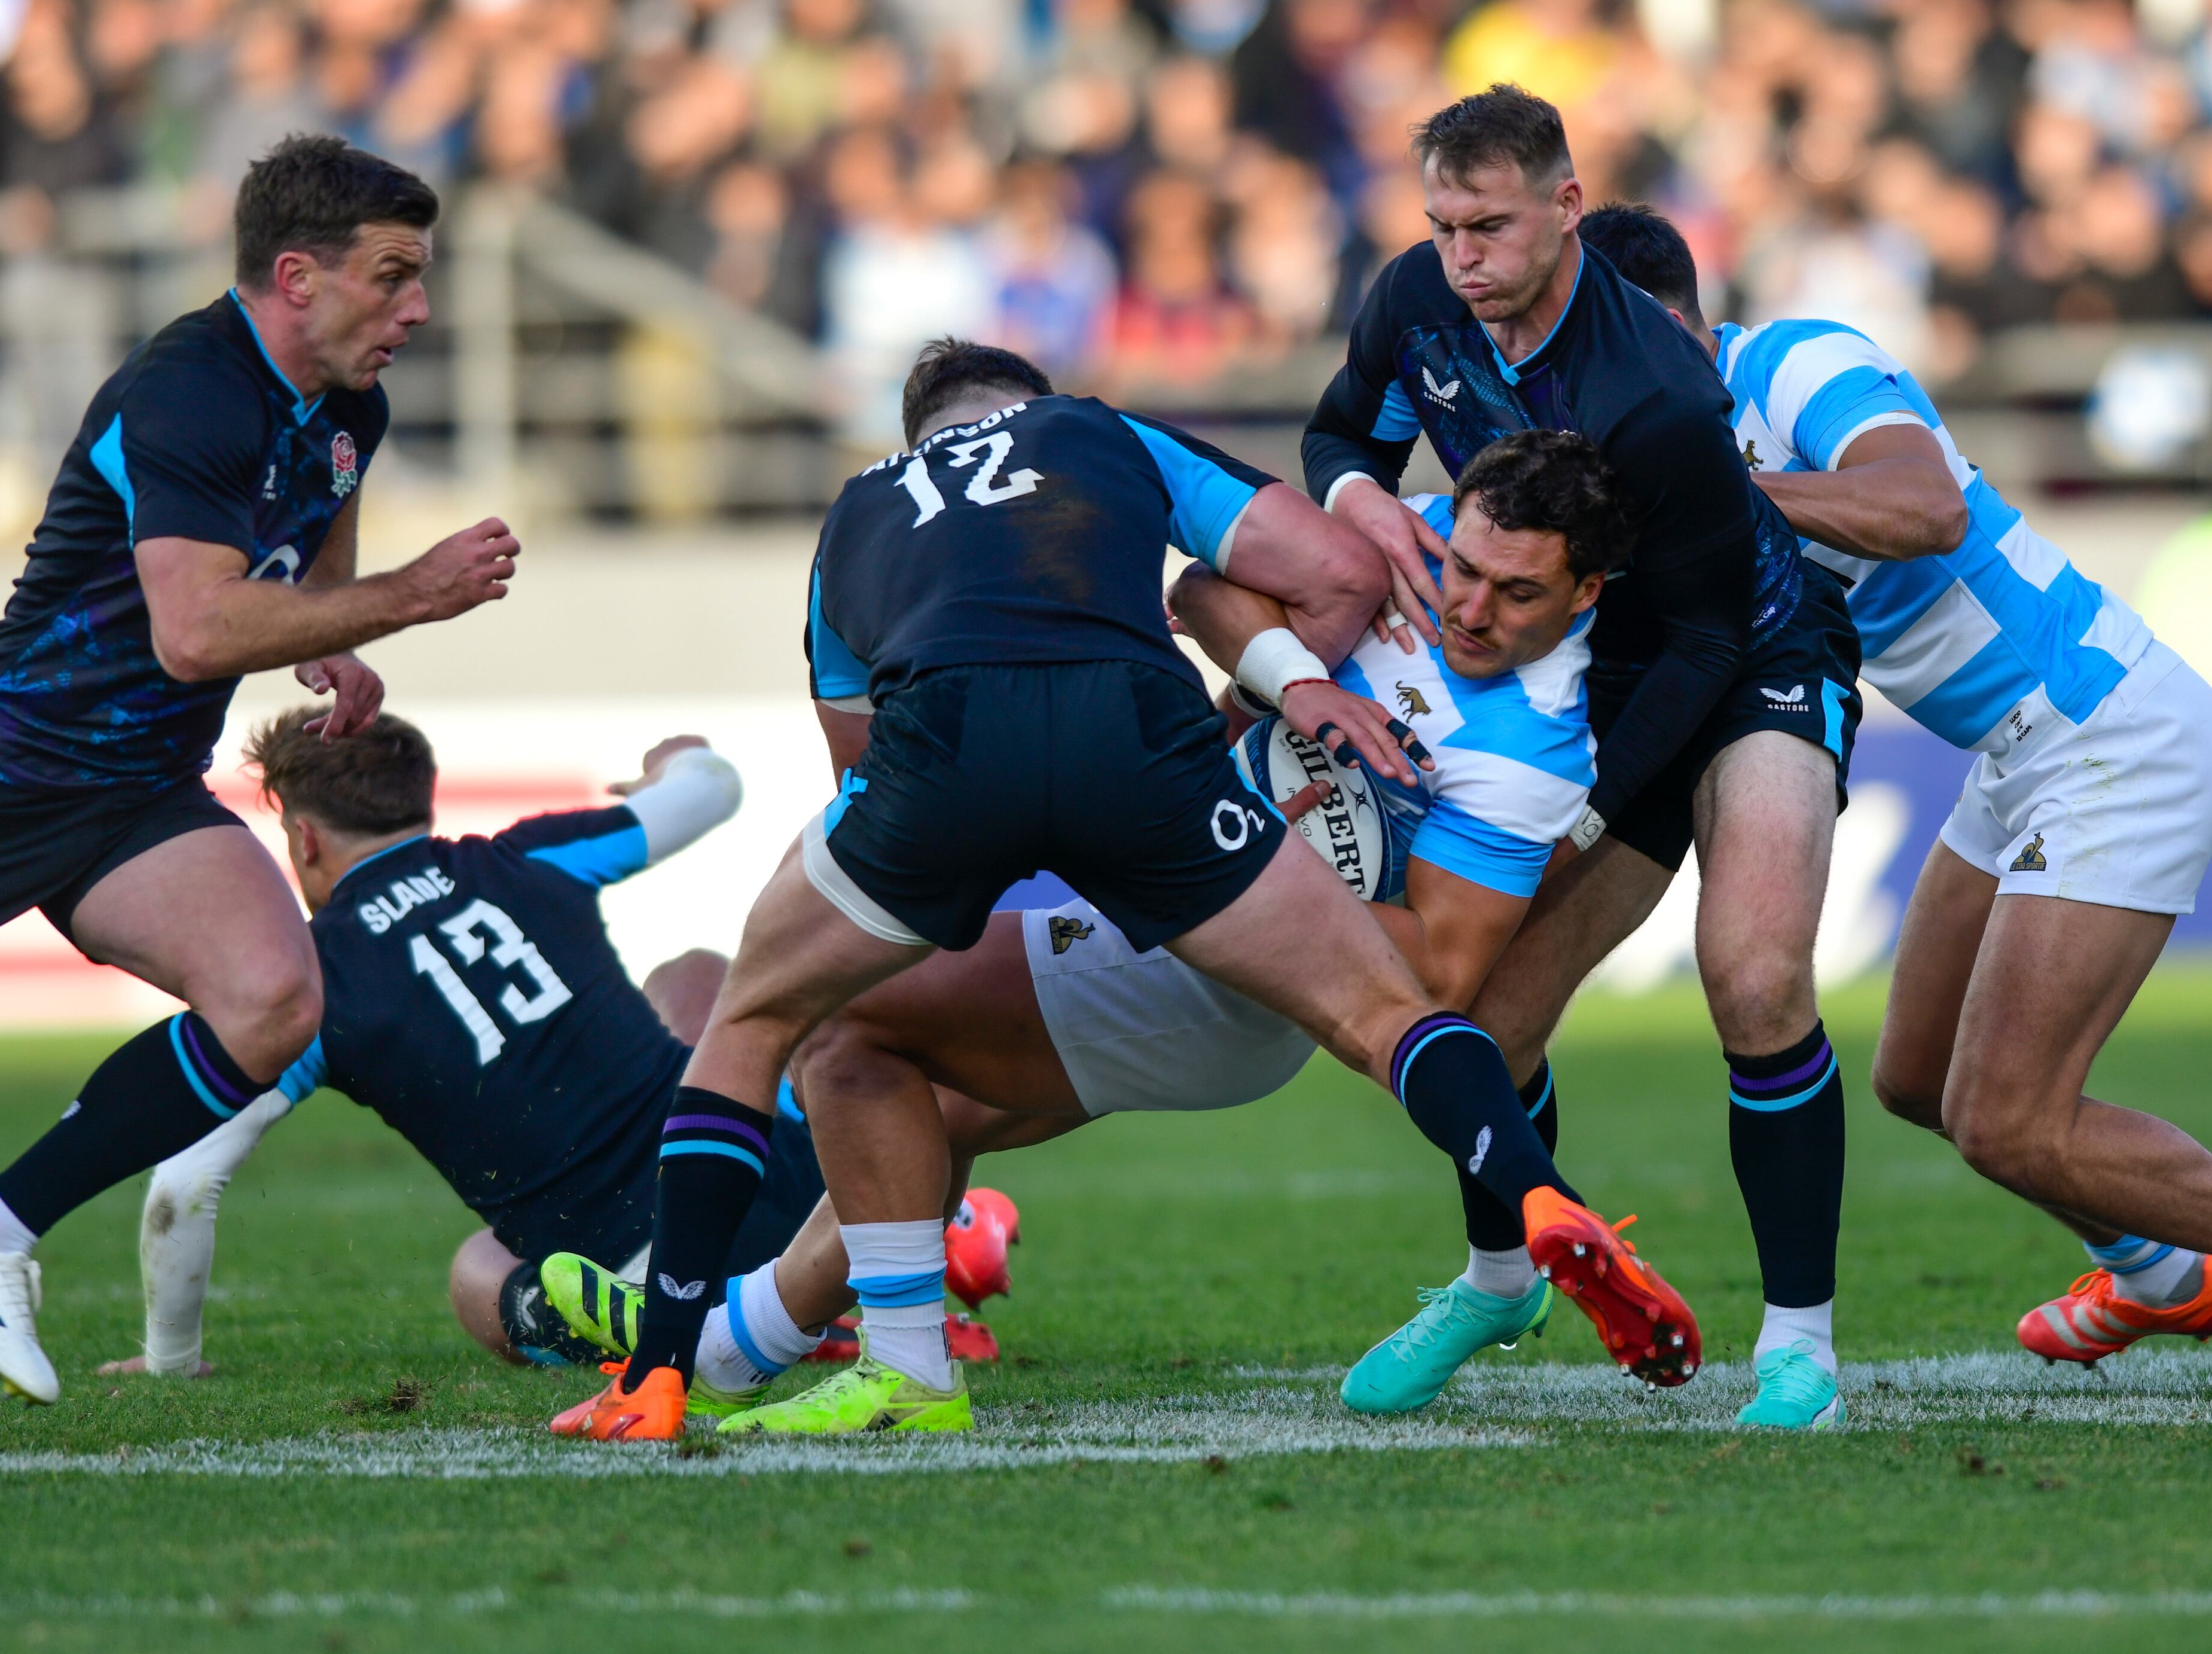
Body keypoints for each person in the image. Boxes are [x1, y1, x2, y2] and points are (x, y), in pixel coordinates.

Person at [548, 338, 1696, 1442]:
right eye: (1464, 569)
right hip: (1162, 825)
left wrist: (1244, 823)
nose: (1469, 604)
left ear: (1588, 593)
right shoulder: (1341, 513)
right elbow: (1222, 593)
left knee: (825, 1024)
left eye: (1518, 593)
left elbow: (1447, 963)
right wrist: (1295, 689)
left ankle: (735, 1355)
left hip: (1195, 947)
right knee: (921, 1109)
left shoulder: (1534, 747)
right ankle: (740, 1342)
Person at [1581, 201, 2212, 1413]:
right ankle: (2156, 1275)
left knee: (2004, 1119)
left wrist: (1729, 492)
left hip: (2109, 729)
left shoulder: (1795, 363)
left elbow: (1925, 506)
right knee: (1917, 1073)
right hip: (2017, 753)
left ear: (1653, 323)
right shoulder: (1669, 437)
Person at [0, 136, 522, 1408]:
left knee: (274, 1001)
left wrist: (343, 647)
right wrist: (411, 599)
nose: (418, 307)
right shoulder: (188, 389)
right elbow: (194, 629)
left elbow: (304, 585)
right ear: (296, 275)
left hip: (136, 788)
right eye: (395, 276)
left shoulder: (351, 409)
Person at [1302, 87, 1863, 1433]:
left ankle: (1801, 1345)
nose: (1461, 255)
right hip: (1581, 675)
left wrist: (1594, 819)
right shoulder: (1416, 303)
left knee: (1753, 970)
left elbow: (1710, 633)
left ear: (1566, 207)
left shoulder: (1656, 390)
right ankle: (1503, 1278)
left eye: (1487, 223)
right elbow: (1338, 437)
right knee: (1480, 1027)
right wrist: (1365, 499)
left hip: (1749, 669)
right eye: (1441, 224)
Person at [99, 710, 832, 1375]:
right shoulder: (525, 860)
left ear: (304, 837)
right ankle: (856, 1224)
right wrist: (678, 758)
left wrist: (170, 1358)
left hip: (651, 1267)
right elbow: (711, 790)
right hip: (797, 1195)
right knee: (695, 977)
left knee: (476, 1268)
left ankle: (646, 1323)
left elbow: (183, 1184)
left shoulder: (311, 988)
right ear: (420, 799)